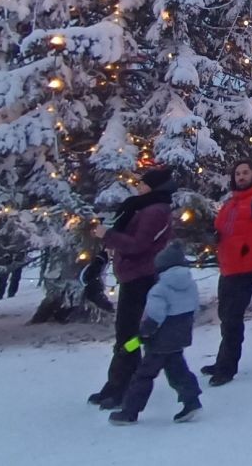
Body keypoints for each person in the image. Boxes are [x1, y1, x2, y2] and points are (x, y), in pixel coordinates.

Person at [88, 166, 176, 410]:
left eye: (143, 184)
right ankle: (118, 382)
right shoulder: (142, 206)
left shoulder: (155, 210)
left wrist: (108, 235)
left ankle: (123, 384)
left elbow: (139, 244)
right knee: (127, 334)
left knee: (130, 336)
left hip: (142, 277)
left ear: (154, 187)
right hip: (132, 276)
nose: (138, 187)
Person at [202, 159, 252, 386]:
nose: (241, 177)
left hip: (246, 270)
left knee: (233, 319)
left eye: (245, 173)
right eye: (238, 173)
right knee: (226, 317)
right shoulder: (231, 202)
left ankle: (227, 367)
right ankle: (222, 360)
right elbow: (220, 228)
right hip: (227, 268)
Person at [108, 241, 203, 425]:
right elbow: (194, 308)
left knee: (143, 376)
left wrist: (142, 335)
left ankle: (130, 411)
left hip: (159, 341)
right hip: (180, 337)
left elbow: (155, 318)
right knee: (178, 372)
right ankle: (192, 401)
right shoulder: (191, 285)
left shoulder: (159, 290)